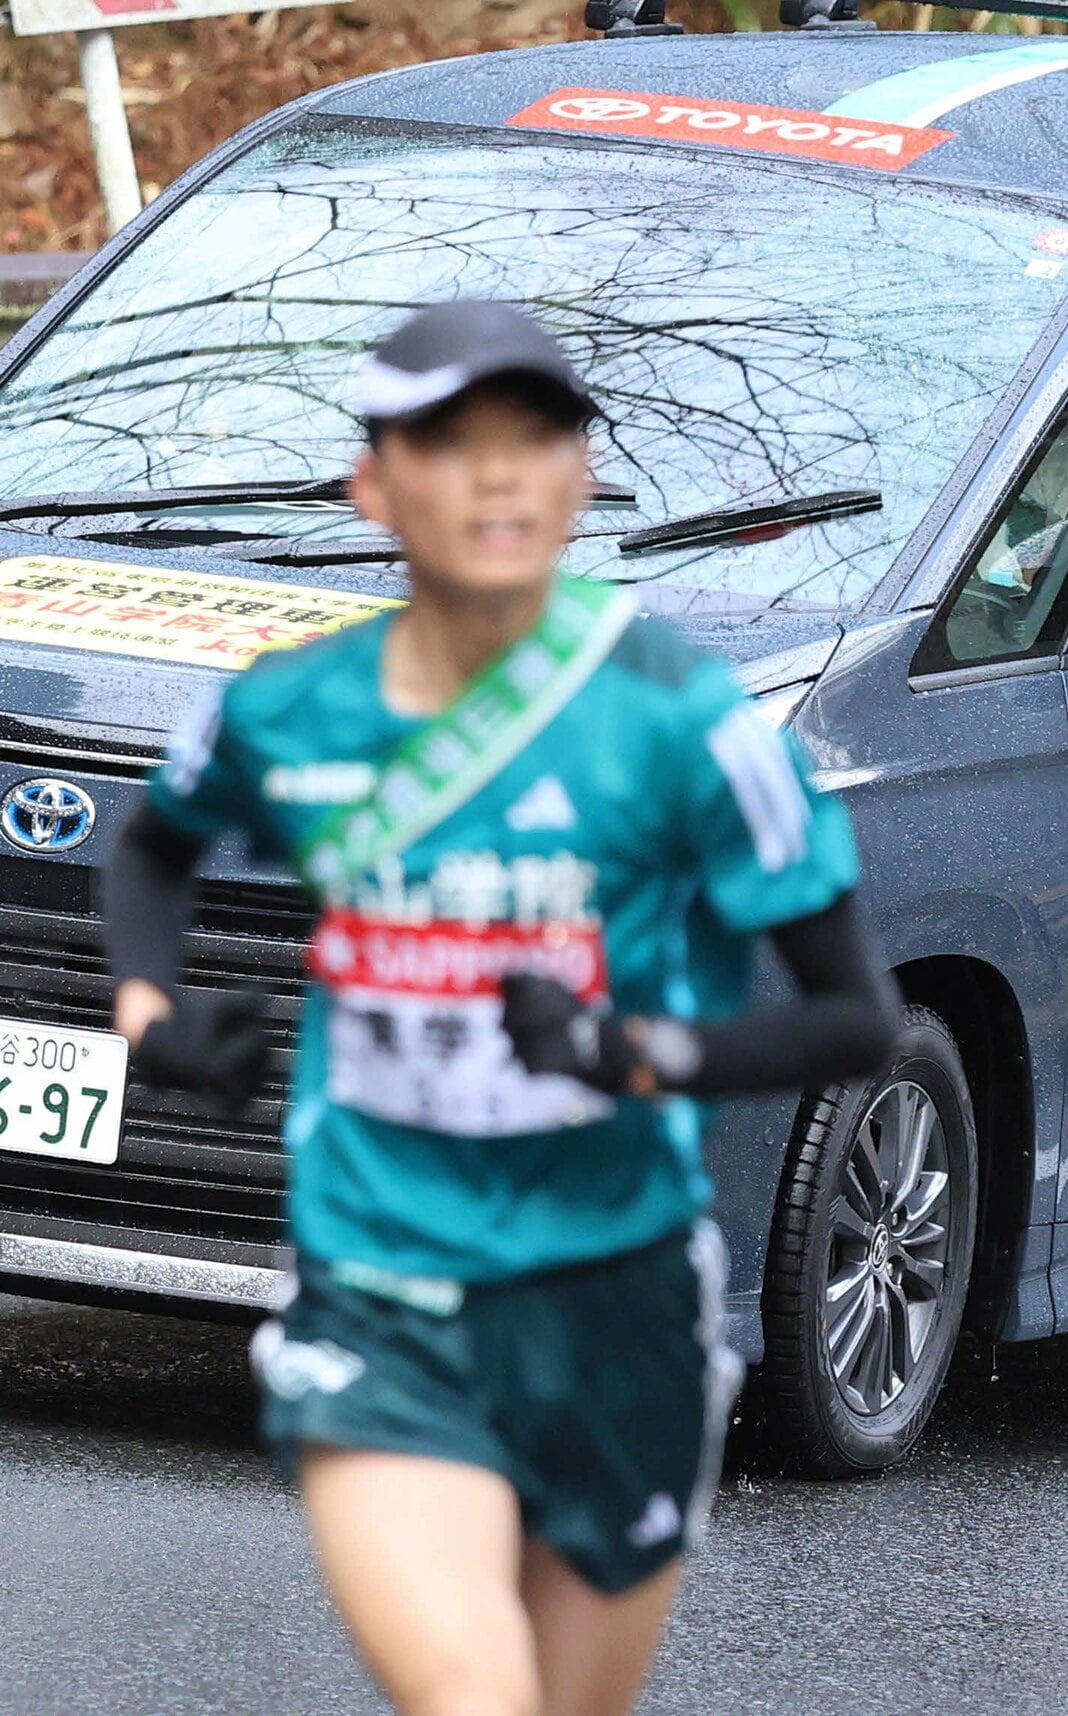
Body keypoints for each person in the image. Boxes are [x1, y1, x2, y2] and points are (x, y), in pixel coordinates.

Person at [102, 299, 900, 1716]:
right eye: (446, 443)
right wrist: (154, 1011)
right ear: (372, 486)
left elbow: (854, 1022)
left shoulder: (686, 722)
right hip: (381, 1284)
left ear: (580, 478)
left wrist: (628, 1049)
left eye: (534, 441)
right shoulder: (291, 708)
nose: (494, 477)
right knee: (473, 1694)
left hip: (615, 1296)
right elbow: (156, 844)